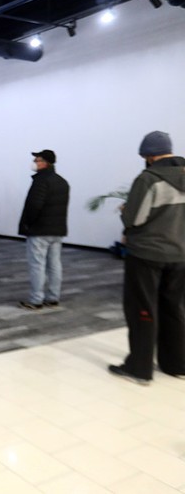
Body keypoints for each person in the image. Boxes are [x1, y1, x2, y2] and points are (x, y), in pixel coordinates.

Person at [108, 131, 185, 385]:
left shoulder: (148, 179)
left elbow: (134, 219)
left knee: (143, 308)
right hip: (181, 255)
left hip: (147, 254)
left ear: (149, 155)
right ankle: (176, 364)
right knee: (174, 308)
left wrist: (124, 211)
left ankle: (139, 368)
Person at [18, 149, 70, 310]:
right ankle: (53, 297)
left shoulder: (41, 181)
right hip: (57, 230)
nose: (34, 163)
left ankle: (36, 299)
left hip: (40, 231)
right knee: (54, 265)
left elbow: (34, 206)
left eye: (37, 160)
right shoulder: (62, 182)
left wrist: (28, 224)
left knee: (37, 265)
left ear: (45, 162)